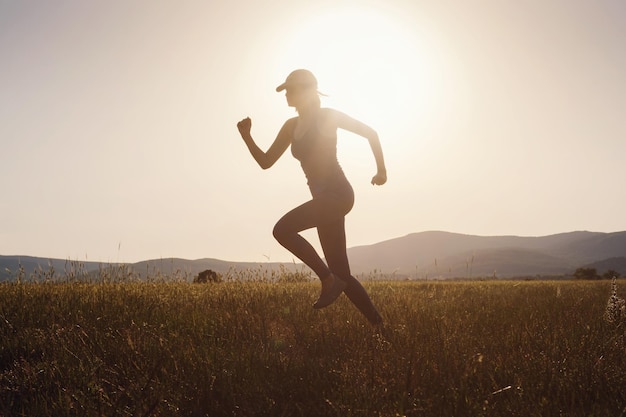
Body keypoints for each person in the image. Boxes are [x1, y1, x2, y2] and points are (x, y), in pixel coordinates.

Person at [237, 69, 386, 325]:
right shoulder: (290, 126)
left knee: (282, 230)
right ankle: (381, 328)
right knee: (343, 275)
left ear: (306, 90)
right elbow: (266, 161)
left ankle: (327, 280)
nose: (286, 95)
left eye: (290, 90)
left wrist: (381, 170)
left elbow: (371, 133)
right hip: (323, 201)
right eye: (285, 91)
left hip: (338, 195)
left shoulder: (328, 116)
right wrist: (247, 136)